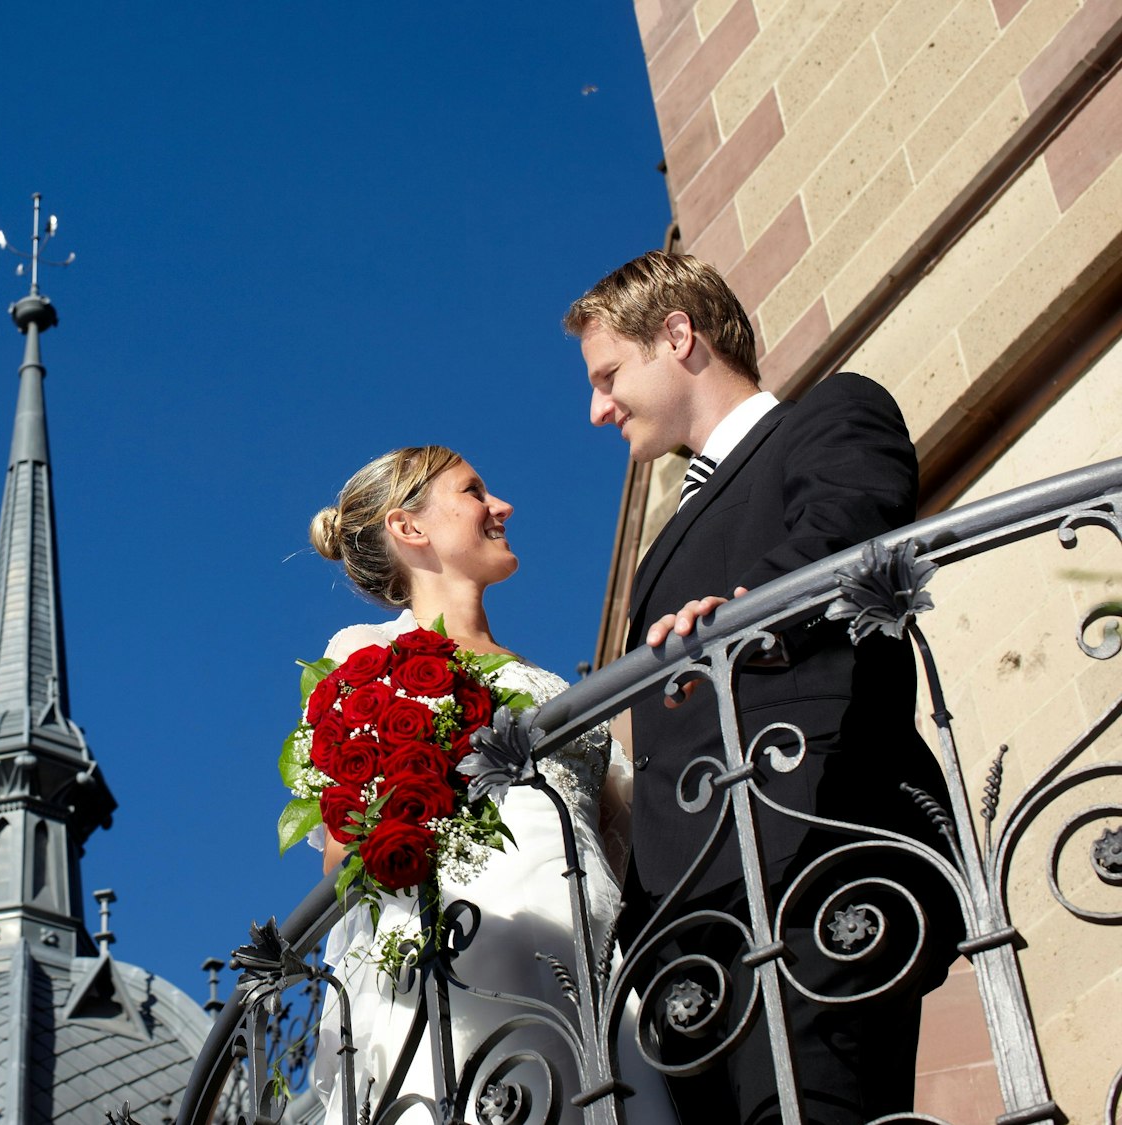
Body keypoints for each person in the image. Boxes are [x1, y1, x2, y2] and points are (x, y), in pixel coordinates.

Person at [567, 250, 957, 1125]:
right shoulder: (663, 545)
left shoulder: (830, 415)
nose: (597, 409)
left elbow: (851, 523)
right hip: (692, 931)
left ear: (677, 336)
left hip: (816, 855)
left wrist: (751, 611)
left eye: (608, 375)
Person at [305, 446, 679, 1125]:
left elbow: (621, 846)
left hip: (589, 963)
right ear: (409, 527)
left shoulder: (562, 689)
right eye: (473, 491)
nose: (500, 506)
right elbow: (345, 846)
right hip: (469, 955)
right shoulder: (367, 652)